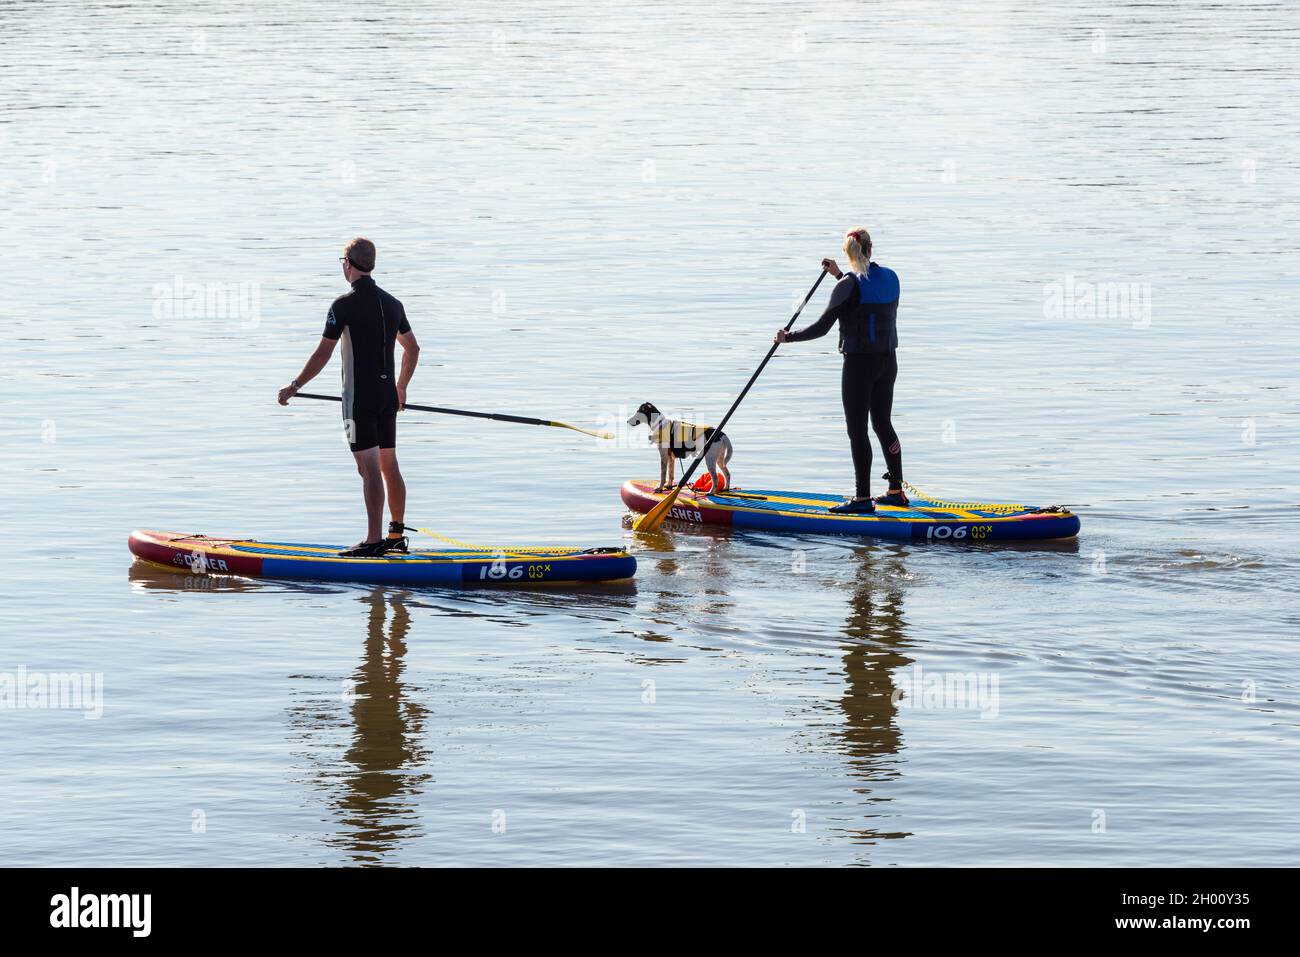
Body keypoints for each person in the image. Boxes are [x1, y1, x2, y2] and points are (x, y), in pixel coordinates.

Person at [278, 238, 421, 555]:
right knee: (389, 464)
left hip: (359, 399)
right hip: (387, 397)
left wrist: (294, 385)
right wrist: (401, 388)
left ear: (348, 263)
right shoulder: (393, 303)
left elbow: (322, 354)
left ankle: (373, 542)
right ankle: (395, 536)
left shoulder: (342, 305)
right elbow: (412, 348)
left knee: (368, 469)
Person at [776, 228, 906, 514]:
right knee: (883, 424)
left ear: (848, 254)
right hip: (888, 361)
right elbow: (864, 297)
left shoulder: (846, 285)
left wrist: (789, 337)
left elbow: (822, 328)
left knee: (857, 430)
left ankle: (862, 500)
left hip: (860, 365)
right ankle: (896, 490)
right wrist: (839, 276)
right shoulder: (892, 277)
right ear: (871, 249)